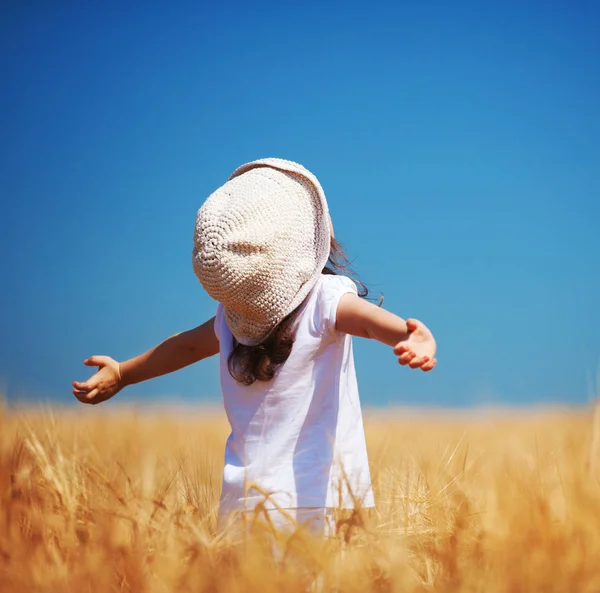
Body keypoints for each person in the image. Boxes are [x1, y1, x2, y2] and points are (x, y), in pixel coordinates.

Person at [72, 158, 437, 537]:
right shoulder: (326, 299)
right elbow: (367, 321)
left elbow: (184, 348)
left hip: (243, 506)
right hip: (320, 502)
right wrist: (410, 336)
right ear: (315, 235)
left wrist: (123, 373)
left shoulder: (231, 320)